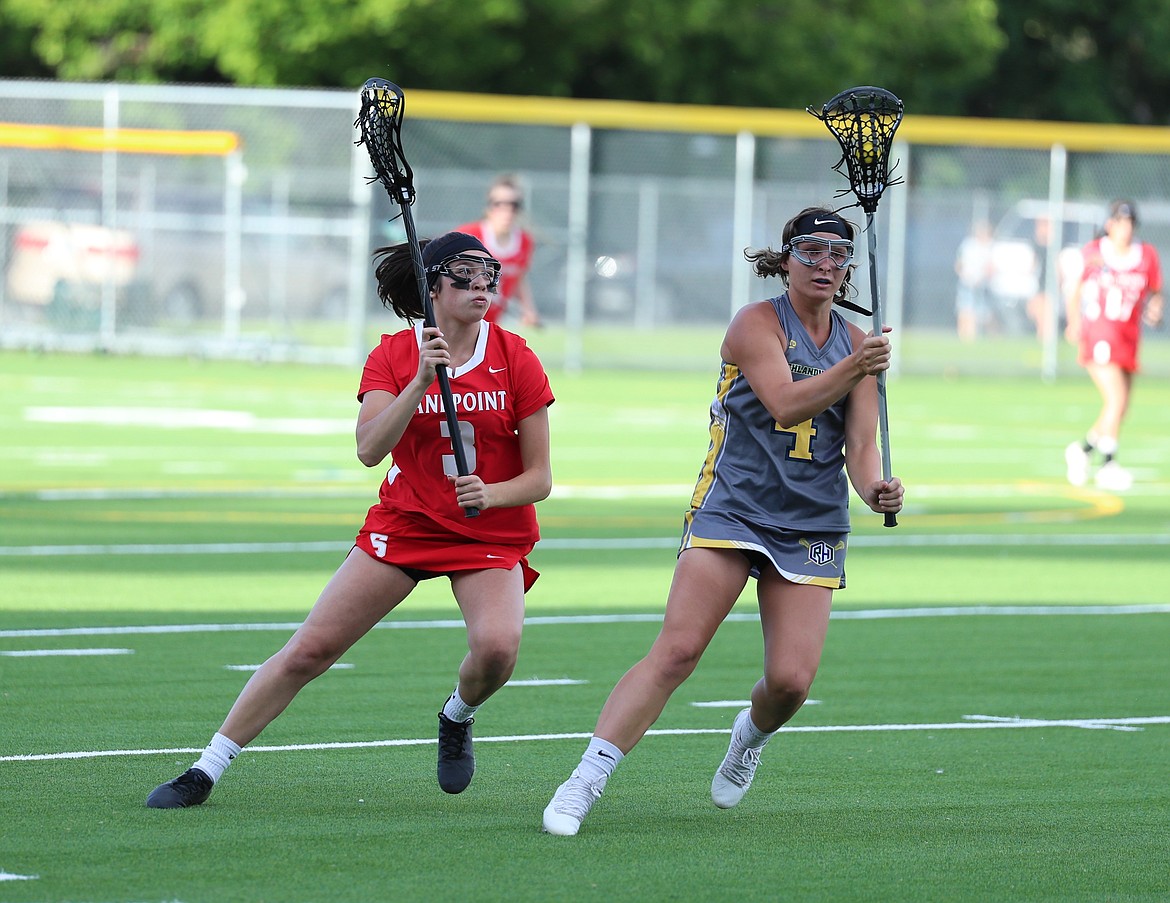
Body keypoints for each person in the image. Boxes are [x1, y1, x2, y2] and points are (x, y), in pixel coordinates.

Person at [145, 231, 554, 808]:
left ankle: (456, 716)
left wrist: (490, 493)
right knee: (310, 650)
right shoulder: (393, 353)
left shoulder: (516, 356)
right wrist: (419, 380)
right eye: (464, 273)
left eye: (488, 273)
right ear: (431, 284)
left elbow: (540, 478)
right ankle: (205, 769)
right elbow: (368, 449)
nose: (482, 284)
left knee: (497, 650)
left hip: (486, 531)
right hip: (408, 523)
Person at [541, 206, 905, 836]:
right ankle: (585, 780)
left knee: (790, 682)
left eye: (838, 255)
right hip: (734, 504)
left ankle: (749, 736)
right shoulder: (756, 324)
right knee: (678, 650)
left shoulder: (854, 345)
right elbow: (788, 403)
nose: (825, 264)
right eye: (811, 252)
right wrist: (859, 365)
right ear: (786, 259)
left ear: (849, 270)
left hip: (813, 520)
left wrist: (876, 490)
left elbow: (861, 445)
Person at [1063, 200, 1163, 491]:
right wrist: (1073, 321)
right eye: (1120, 222)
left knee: (1121, 407)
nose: (1125, 228)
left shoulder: (1146, 255)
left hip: (1129, 336)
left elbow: (1156, 292)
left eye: (1130, 222)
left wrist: (1156, 308)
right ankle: (1108, 464)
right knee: (1115, 399)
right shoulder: (1096, 254)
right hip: (1100, 333)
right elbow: (1075, 290)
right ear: (1110, 224)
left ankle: (1082, 451)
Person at [457, 174, 540, 328]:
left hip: (491, 324)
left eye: (513, 205)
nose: (506, 211)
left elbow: (519, 278)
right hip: (460, 321)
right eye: (498, 204)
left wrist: (528, 310)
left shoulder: (525, 241)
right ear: (488, 208)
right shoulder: (468, 236)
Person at [954, 219, 995, 342]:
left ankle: (984, 337)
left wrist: (981, 278)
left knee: (984, 314)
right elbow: (959, 264)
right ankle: (964, 338)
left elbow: (990, 267)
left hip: (982, 285)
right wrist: (965, 276)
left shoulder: (990, 246)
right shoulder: (968, 245)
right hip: (967, 283)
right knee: (965, 310)